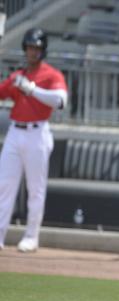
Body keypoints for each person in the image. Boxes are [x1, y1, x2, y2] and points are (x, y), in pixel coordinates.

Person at [0, 28, 67, 252]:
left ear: (43, 50)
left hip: (38, 133)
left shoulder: (51, 74)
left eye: (37, 48)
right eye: (30, 48)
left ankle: (31, 236)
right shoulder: (18, 76)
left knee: (35, 188)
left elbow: (60, 101)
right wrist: (15, 83)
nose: (32, 52)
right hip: (15, 132)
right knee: (4, 186)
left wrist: (32, 90)